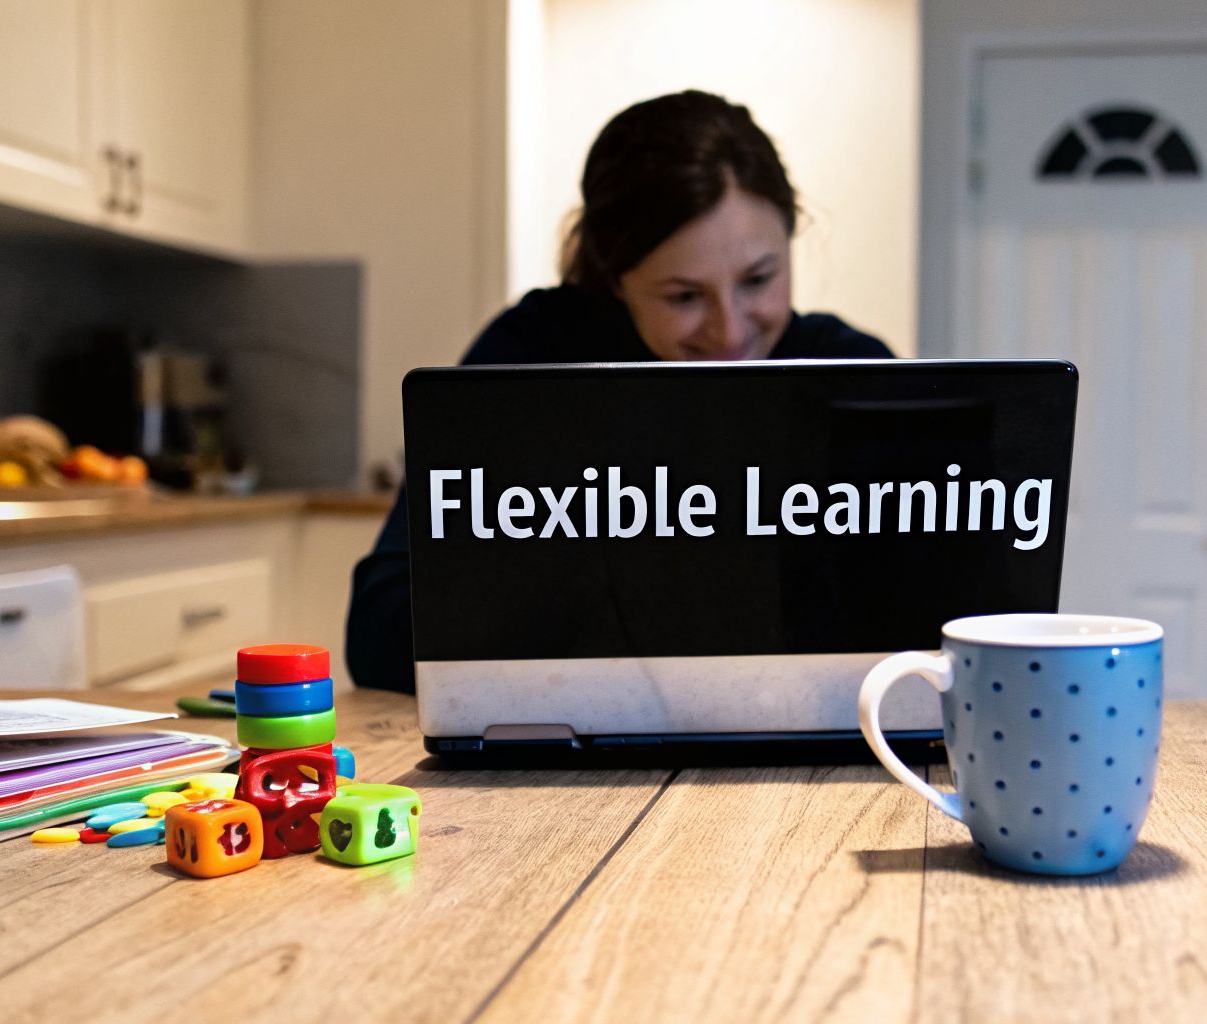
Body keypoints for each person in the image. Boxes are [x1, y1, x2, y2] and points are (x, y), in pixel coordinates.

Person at [346, 90, 893, 693]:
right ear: (616, 280)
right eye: (684, 297)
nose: (730, 329)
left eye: (759, 279)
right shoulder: (529, 363)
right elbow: (380, 627)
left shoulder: (849, 371)